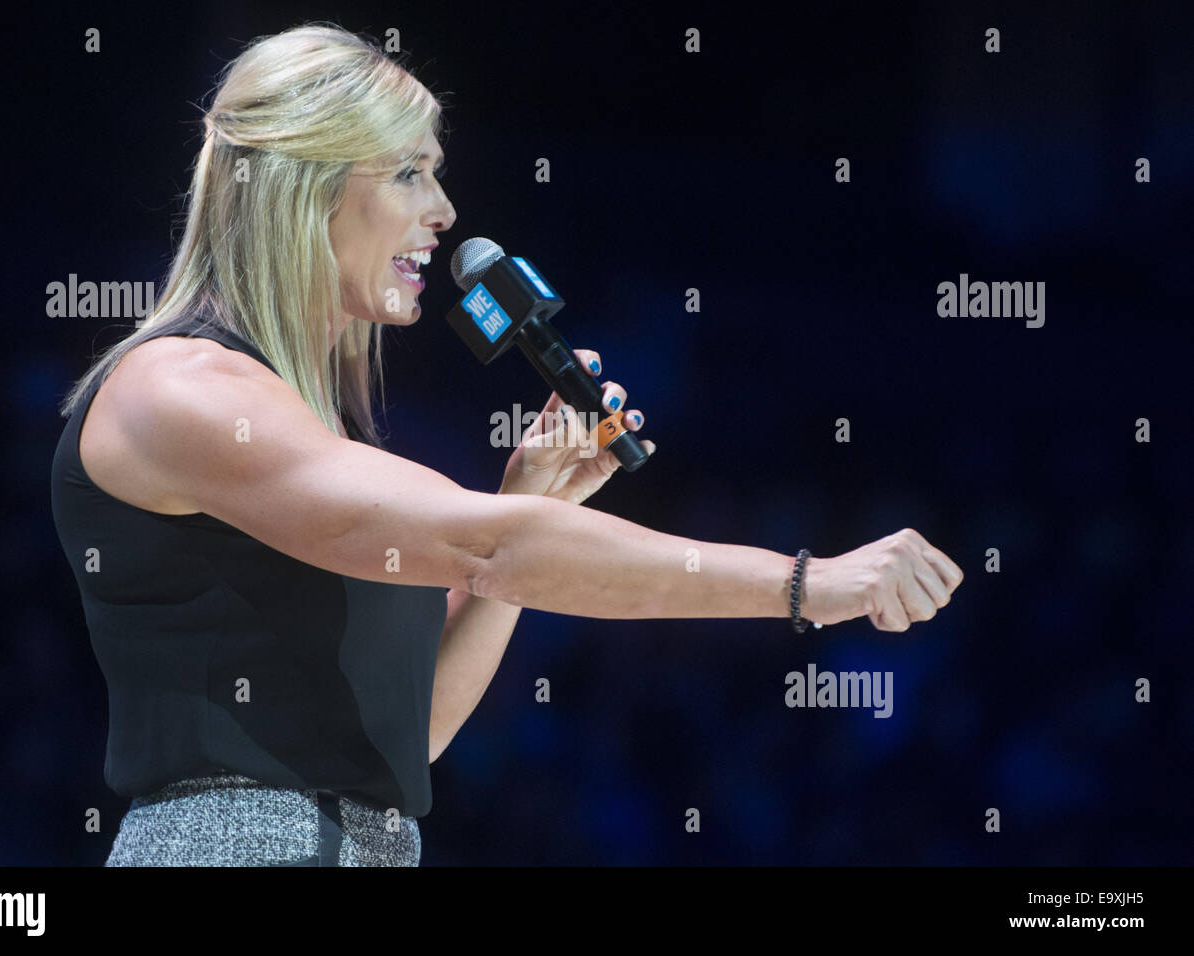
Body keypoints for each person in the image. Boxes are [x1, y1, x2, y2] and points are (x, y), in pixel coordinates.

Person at [51, 23, 963, 867]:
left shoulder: (309, 422)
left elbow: (409, 738)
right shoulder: (182, 390)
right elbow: (487, 544)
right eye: (407, 173)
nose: (444, 210)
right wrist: (806, 583)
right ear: (303, 185)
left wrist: (534, 496)